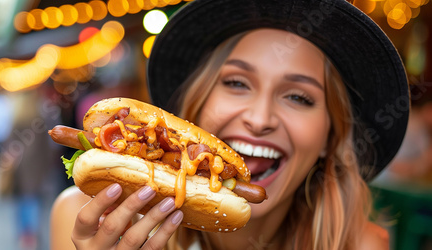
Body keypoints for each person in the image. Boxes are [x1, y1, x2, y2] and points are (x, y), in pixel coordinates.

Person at [50, 0, 410, 249]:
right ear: (197, 105)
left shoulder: (361, 244)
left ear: (331, 138)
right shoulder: (83, 220)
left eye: (299, 97)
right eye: (236, 83)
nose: (259, 119)